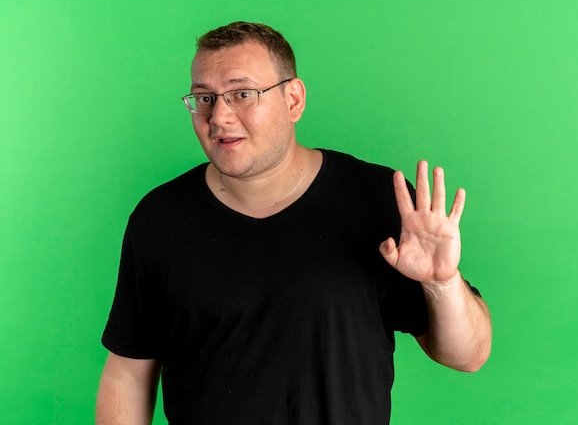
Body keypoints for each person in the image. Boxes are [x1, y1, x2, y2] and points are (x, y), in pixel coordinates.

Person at [96, 21, 492, 425]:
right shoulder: (160, 218)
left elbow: (468, 356)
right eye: (204, 98)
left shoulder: (377, 199)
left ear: (293, 100)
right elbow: (128, 372)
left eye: (242, 94)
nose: (219, 116)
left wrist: (441, 282)